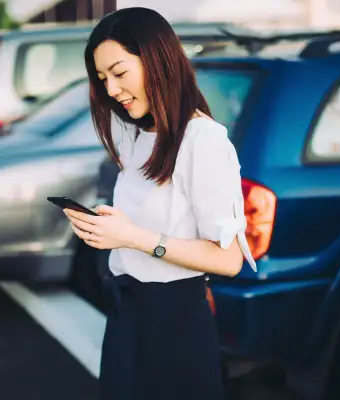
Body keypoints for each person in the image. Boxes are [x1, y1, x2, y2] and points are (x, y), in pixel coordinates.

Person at [62, 6, 257, 400]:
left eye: (119, 73)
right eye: (102, 79)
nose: (111, 90)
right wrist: (106, 230)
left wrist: (134, 237)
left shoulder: (203, 141)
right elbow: (143, 227)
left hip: (174, 325)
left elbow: (228, 260)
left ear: (157, 59)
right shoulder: (138, 133)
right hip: (126, 313)